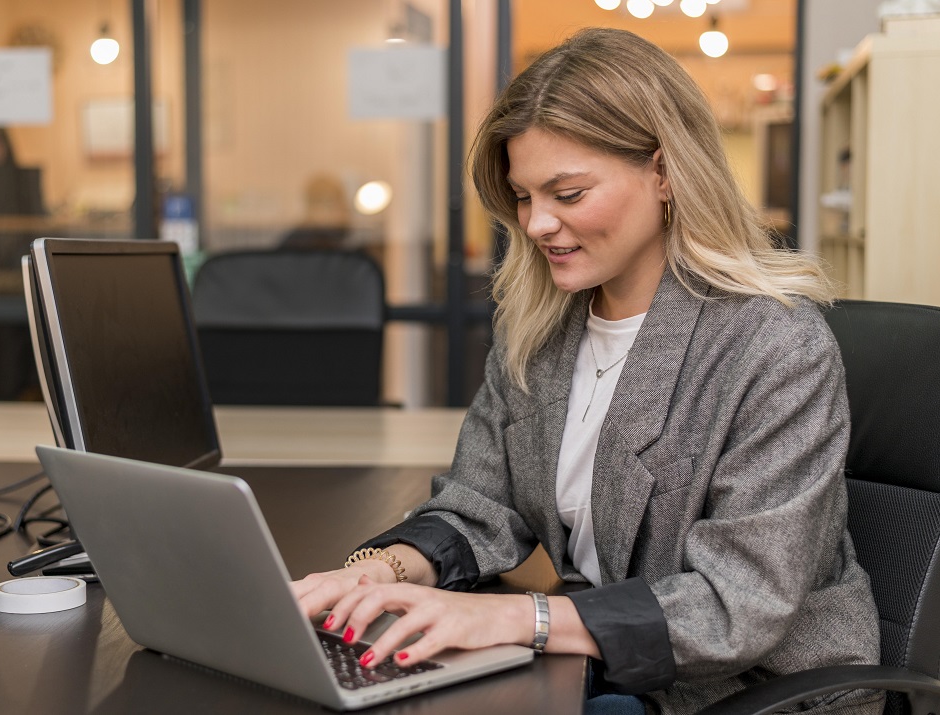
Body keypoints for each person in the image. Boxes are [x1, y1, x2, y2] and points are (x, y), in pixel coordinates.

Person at [292, 28, 883, 715]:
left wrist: (521, 620)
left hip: (754, 693)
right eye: (523, 196)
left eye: (567, 193)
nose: (538, 223)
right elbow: (480, 502)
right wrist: (377, 575)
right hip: (618, 671)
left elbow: (738, 601)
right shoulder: (543, 331)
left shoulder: (775, 346)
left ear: (663, 173)